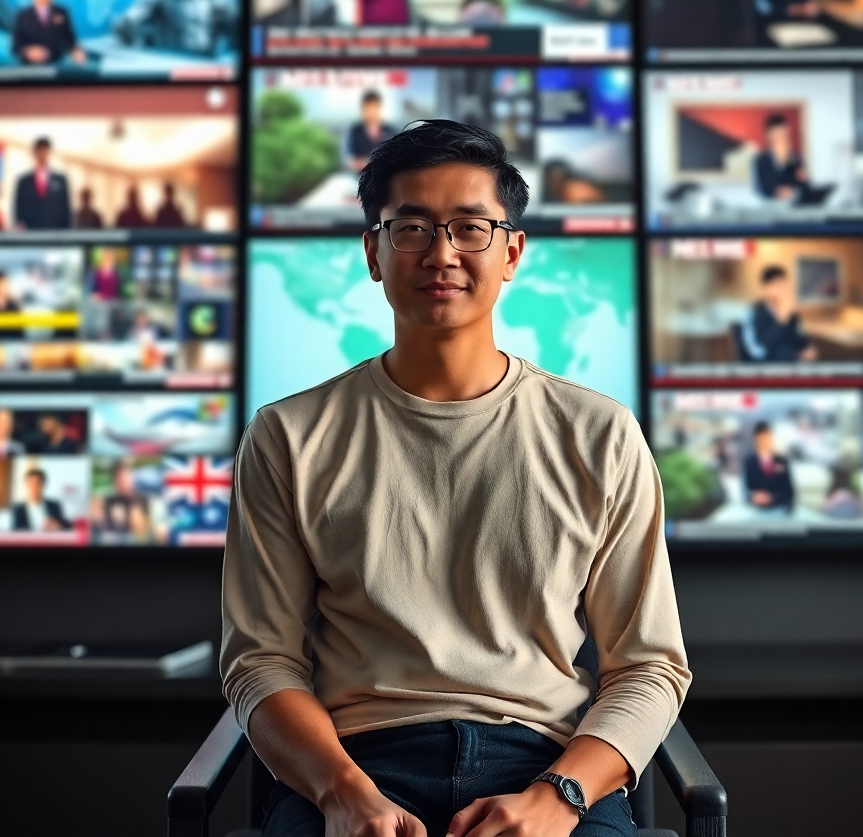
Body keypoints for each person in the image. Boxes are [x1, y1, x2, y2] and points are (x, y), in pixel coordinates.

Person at [221, 120, 690, 837]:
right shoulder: (288, 436)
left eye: (470, 228)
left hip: (545, 763)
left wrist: (559, 797)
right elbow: (261, 662)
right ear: (373, 253)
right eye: (411, 228)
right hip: (356, 762)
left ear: (512, 253)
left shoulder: (600, 434)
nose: (441, 253)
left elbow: (650, 667)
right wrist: (342, 793)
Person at [739, 265, 818, 364]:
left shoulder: (790, 313)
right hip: (761, 367)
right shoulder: (754, 312)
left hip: (790, 364)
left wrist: (806, 348)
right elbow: (757, 350)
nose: (781, 290)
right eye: (776, 285)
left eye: (783, 285)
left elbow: (798, 338)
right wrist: (781, 320)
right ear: (765, 288)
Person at [11, 0, 86, 66]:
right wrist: (29, 51)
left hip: (56, 67)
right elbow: (15, 47)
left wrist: (76, 52)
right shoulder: (22, 16)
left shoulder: (62, 12)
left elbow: (71, 41)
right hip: (30, 69)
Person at [13, 137, 72, 230]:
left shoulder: (60, 180)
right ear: (34, 153)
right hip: (30, 232)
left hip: (55, 232)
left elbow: (66, 210)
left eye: (45, 151)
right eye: (39, 151)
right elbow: (18, 209)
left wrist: (67, 232)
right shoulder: (23, 182)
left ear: (49, 153)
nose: (42, 155)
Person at [753, 114, 809, 201]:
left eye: (783, 134)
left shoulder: (796, 157)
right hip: (770, 204)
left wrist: (803, 179)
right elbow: (760, 188)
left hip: (793, 204)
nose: (780, 138)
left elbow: (804, 187)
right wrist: (777, 191)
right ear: (768, 135)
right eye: (777, 134)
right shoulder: (761, 160)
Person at [743, 422, 795, 511]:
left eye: (767, 438)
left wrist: (772, 498)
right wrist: (755, 497)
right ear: (755, 440)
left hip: (778, 509)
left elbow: (789, 492)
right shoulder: (749, 462)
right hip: (756, 511)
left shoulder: (782, 461)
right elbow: (747, 490)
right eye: (761, 439)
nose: (764, 442)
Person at [345, 90, 397, 171]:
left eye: (375, 107)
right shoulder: (355, 131)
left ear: (380, 108)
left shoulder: (391, 131)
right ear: (363, 109)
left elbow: (396, 158)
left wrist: (367, 162)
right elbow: (350, 160)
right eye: (369, 108)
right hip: (361, 176)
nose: (372, 112)